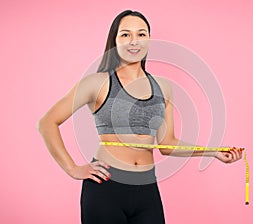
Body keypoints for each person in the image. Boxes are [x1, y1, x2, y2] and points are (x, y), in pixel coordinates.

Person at [37, 10, 242, 224]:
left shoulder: (163, 87)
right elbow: (47, 123)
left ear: (149, 40)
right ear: (114, 41)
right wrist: (72, 168)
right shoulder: (97, 83)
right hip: (106, 187)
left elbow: (167, 144)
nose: (134, 41)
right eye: (125, 34)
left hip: (147, 189)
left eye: (141, 34)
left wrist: (212, 152)